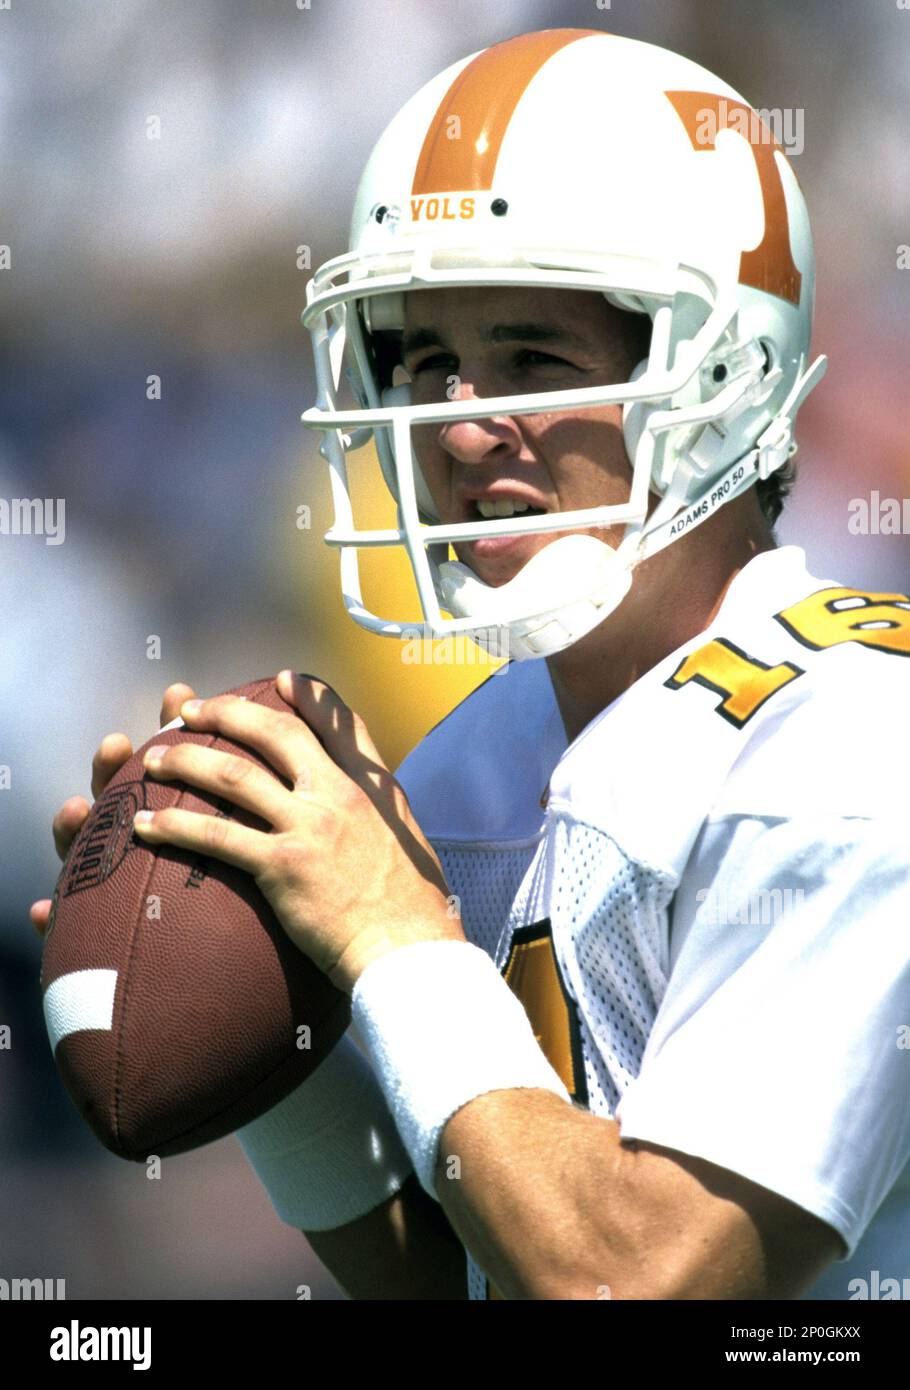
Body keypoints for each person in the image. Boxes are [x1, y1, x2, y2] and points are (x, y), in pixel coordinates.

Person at [32, 29, 910, 1300]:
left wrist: (391, 935)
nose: (458, 419)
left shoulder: (844, 743)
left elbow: (646, 1281)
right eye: (422, 358)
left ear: (720, 373)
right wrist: (263, 1002)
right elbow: (456, 1286)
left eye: (531, 356)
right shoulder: (479, 755)